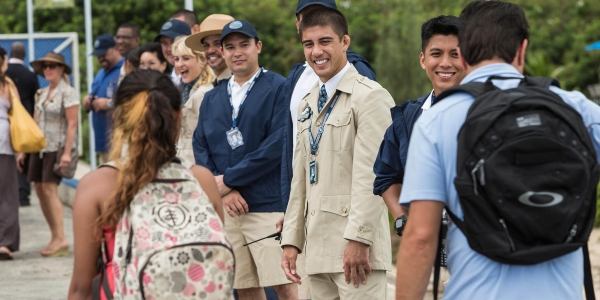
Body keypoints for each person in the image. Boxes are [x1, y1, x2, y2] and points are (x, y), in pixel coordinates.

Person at [395, 2, 600, 299]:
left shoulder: (436, 119)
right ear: (522, 49)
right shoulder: (575, 107)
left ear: (462, 55)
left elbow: (421, 238)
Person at [67, 70, 224, 300]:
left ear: (118, 119)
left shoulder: (96, 186)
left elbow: (82, 288)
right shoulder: (202, 180)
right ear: (179, 117)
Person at [280, 7, 394, 299]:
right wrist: (291, 241)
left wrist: (359, 239)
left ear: (345, 42)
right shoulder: (306, 103)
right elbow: (300, 178)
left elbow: (373, 175)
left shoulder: (370, 96)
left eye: (325, 41)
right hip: (316, 250)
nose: (316, 51)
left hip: (357, 252)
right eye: (309, 44)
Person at [192, 20, 295, 300]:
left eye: (244, 45)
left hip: (266, 205)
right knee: (244, 286)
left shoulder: (279, 87)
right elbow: (200, 145)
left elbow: (276, 145)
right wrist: (222, 191)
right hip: (228, 208)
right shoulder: (213, 97)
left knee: (284, 284)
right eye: (230, 47)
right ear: (223, 53)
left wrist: (228, 180)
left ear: (258, 47)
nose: (237, 52)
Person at [373, 15, 463, 220]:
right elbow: (386, 175)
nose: (445, 63)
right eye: (436, 54)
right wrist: (402, 219)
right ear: (423, 60)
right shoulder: (406, 118)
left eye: (455, 54)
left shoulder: (486, 111)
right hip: (427, 242)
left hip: (477, 243)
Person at [22, 52, 78, 257]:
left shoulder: (68, 92)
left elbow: (72, 124)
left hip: (56, 146)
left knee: (49, 188)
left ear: (61, 69)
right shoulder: (41, 93)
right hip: (39, 147)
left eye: (52, 66)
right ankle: (54, 235)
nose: (48, 70)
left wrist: (66, 153)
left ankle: (61, 237)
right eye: (45, 66)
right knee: (39, 189)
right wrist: (24, 151)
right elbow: (34, 124)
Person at [5, 41, 39, 207]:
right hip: (24, 122)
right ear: (24, 55)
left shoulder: (4, 74)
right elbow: (36, 100)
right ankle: (23, 195)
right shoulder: (30, 75)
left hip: (4, 120)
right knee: (22, 158)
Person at [172, 36, 215, 163]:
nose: (179, 64)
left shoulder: (203, 94)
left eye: (186, 58)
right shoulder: (188, 91)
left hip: (196, 167)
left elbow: (210, 141)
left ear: (202, 59)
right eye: (176, 59)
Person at [83, 34, 123, 164]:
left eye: (104, 54)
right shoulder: (101, 73)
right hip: (103, 142)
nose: (101, 58)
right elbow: (94, 94)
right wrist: (89, 100)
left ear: (115, 49)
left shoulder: (125, 70)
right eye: (98, 55)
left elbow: (133, 100)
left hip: (119, 143)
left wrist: (109, 103)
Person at [0, 46, 22, 260]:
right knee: (6, 194)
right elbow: (18, 112)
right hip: (4, 141)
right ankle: (5, 243)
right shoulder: (7, 85)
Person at [185, 14, 235, 85]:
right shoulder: (218, 82)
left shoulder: (238, 84)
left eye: (218, 43)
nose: (210, 50)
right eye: (206, 45)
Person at [155, 19, 191, 88]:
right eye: (164, 43)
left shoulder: (202, 79)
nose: (169, 49)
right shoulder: (161, 82)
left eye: (174, 42)